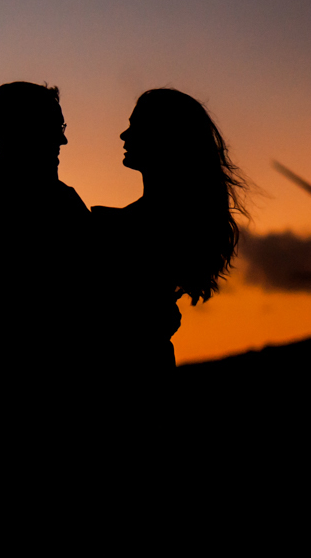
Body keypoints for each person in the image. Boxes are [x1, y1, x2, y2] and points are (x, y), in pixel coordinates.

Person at [88, 88, 246, 374]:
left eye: (135, 126)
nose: (124, 136)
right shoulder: (162, 220)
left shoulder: (140, 226)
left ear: (163, 137)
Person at [0, 82, 90, 377]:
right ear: (24, 129)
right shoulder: (44, 203)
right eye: (54, 126)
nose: (62, 140)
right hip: (39, 371)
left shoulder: (11, 197)